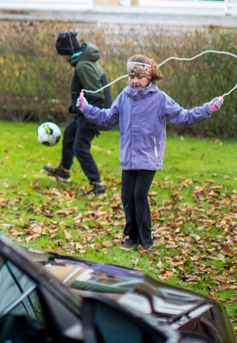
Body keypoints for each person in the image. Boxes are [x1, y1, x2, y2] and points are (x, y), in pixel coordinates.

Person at [77, 55, 224, 250]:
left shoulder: (160, 98)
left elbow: (183, 116)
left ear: (150, 76)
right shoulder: (124, 96)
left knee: (139, 196)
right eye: (132, 77)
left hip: (148, 156)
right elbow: (107, 118)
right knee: (127, 197)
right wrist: (85, 107)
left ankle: (146, 239)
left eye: (140, 77)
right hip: (128, 156)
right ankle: (131, 236)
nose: (135, 81)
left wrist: (207, 109)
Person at [42, 31, 112, 197]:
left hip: (93, 112)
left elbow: (97, 95)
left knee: (80, 148)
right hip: (85, 111)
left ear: (66, 52)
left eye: (61, 54)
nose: (62, 58)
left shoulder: (83, 65)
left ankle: (97, 185)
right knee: (69, 135)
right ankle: (63, 171)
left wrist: (92, 118)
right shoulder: (83, 60)